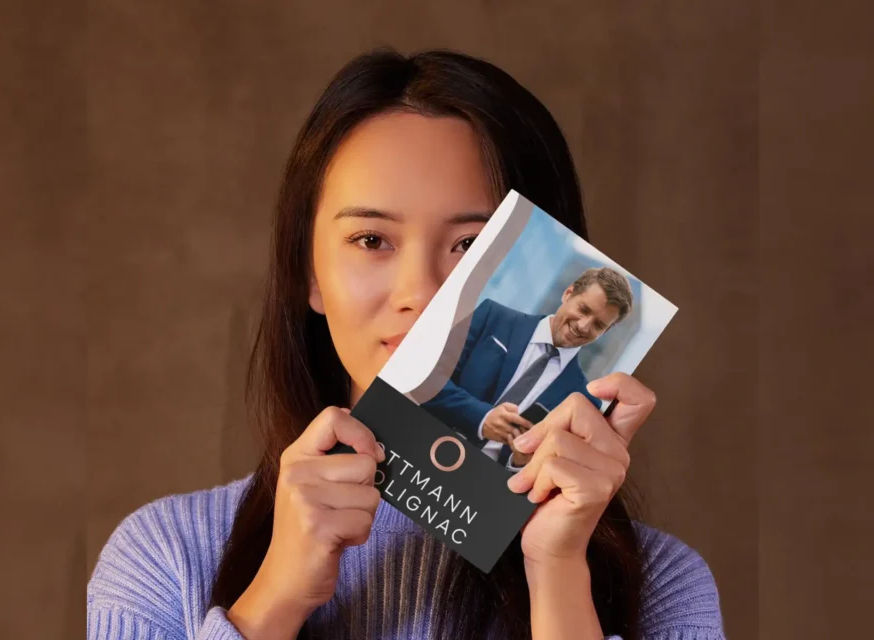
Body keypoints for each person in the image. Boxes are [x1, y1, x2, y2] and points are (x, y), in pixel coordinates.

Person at [87, 48, 725, 639]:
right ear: (309, 273)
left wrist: (557, 572)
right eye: (371, 241)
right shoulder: (164, 557)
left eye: (470, 247)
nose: (420, 293)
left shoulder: (666, 584)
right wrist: (273, 600)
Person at [421, 267, 634, 472]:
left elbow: (547, 474)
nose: (584, 326)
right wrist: (481, 418)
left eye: (598, 325)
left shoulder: (585, 402)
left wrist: (521, 462)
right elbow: (427, 379)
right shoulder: (493, 317)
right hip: (422, 443)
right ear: (568, 294)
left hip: (481, 490)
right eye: (584, 310)